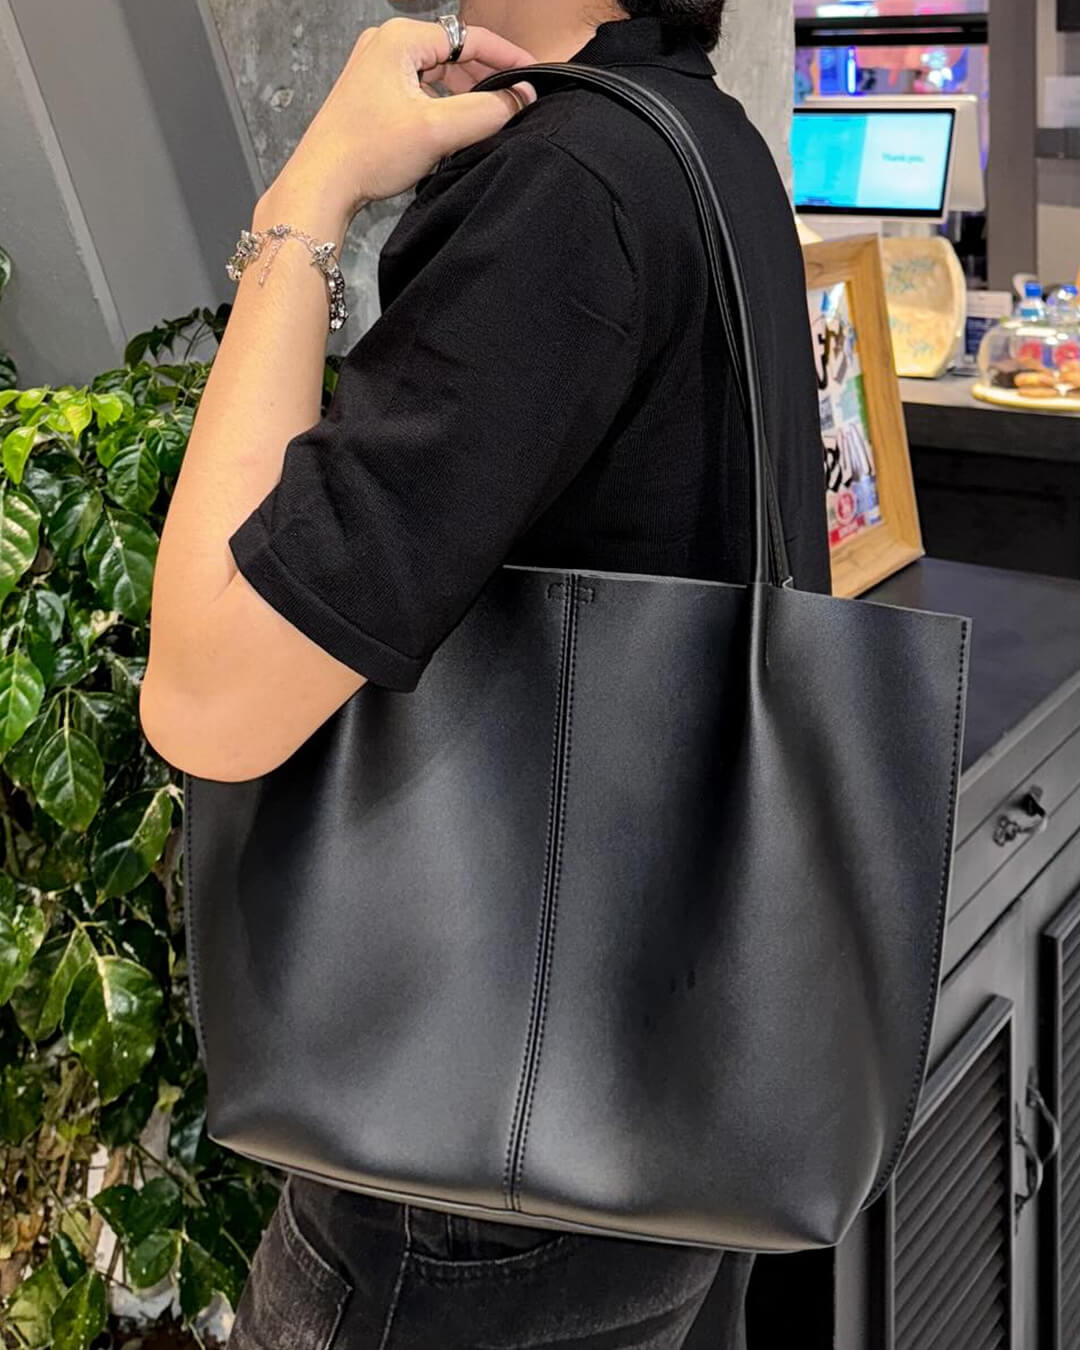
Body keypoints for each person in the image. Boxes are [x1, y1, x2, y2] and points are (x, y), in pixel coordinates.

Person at [141, 2, 830, 1346]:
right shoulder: (704, 139)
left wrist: (309, 195)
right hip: (666, 1105)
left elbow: (207, 694)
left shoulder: (570, 187)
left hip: (479, 1181)